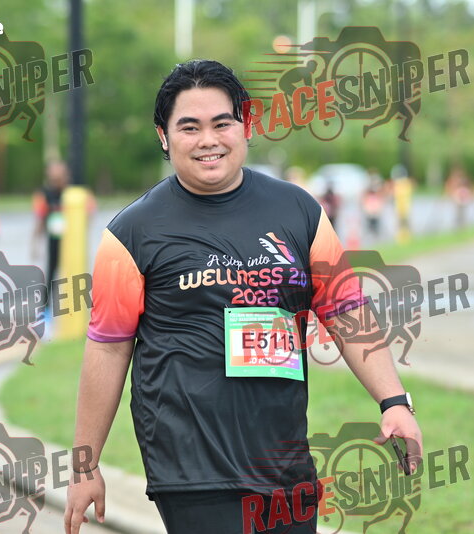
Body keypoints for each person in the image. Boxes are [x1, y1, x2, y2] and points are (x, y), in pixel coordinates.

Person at [65, 60, 422, 534]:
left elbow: (346, 310)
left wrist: (394, 401)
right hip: (190, 468)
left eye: (222, 123)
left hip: (285, 464)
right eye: (189, 127)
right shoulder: (132, 233)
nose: (208, 140)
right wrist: (85, 465)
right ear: (163, 137)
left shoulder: (299, 211)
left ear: (246, 126)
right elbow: (109, 348)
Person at [32, 161, 68, 303]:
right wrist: (35, 244)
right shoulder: (44, 193)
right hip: (53, 238)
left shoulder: (72, 192)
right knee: (51, 272)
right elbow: (40, 219)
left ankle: (71, 305)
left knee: (71, 272)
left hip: (70, 239)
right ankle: (45, 307)